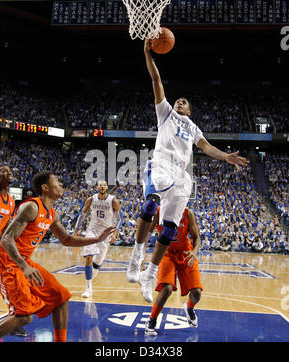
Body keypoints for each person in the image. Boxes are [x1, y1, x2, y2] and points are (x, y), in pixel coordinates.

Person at [126, 38, 249, 303]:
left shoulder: (193, 129)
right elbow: (156, 81)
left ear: (190, 111)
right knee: (150, 205)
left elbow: (206, 147)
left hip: (182, 177)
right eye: (178, 100)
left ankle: (150, 273)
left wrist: (226, 156)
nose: (179, 102)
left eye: (184, 102)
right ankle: (136, 256)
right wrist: (149, 56)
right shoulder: (167, 114)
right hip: (162, 164)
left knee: (169, 229)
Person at [0, 171, 116, 342]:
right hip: (6, 261)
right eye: (56, 181)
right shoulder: (31, 207)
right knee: (24, 316)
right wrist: (24, 266)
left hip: (23, 261)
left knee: (61, 297)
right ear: (45, 187)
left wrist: (97, 239)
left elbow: (67, 239)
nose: (61, 184)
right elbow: (6, 239)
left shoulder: (51, 213)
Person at [145, 206, 203, 336]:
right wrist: (140, 254)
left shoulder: (188, 213)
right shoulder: (158, 211)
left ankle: (189, 308)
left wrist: (194, 252)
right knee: (167, 289)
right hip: (165, 252)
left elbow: (196, 237)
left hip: (185, 252)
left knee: (197, 293)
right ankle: (151, 320)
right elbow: (147, 233)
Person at [0, 164, 28, 337]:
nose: (9, 172)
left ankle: (14, 320)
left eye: (10, 170)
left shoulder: (11, 201)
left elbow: (4, 229)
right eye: (4, 171)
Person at [74, 180, 121, 298]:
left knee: (96, 266)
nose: (102, 186)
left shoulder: (113, 201)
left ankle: (93, 272)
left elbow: (120, 219)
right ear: (97, 187)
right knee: (89, 256)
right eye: (100, 185)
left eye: (104, 185)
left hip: (106, 233)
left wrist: (115, 234)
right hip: (92, 231)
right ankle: (88, 288)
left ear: (107, 187)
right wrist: (76, 229)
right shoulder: (91, 199)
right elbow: (83, 214)